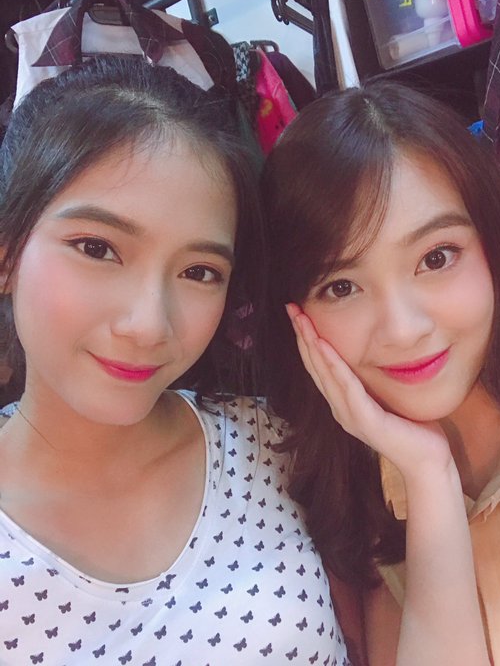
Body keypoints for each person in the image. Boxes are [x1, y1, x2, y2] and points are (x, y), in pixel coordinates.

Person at [0, 55, 347, 665]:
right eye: (97, 248)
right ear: (7, 256)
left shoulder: (274, 443)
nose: (148, 325)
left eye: (199, 272)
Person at [262, 80, 500, 665]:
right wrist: (428, 474)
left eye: (436, 258)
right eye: (341, 287)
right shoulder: (351, 490)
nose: (403, 329)